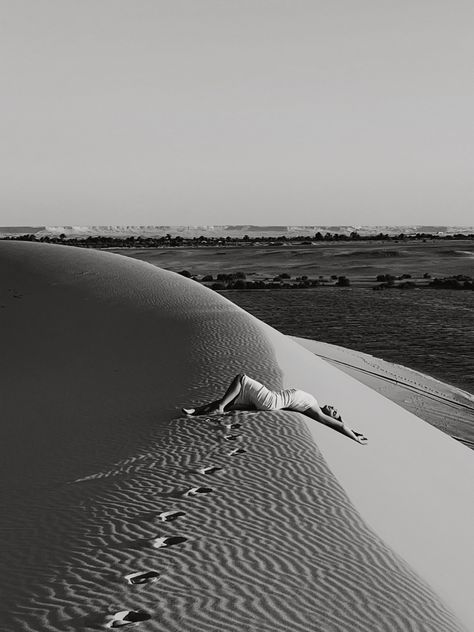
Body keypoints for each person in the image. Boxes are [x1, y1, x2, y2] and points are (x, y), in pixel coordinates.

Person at [183, 373, 368, 444]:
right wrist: (356, 431)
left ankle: (220, 408)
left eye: (334, 412)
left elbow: (340, 426)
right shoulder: (312, 403)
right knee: (232, 398)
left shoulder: (316, 412)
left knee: (241, 379)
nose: (333, 408)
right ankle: (197, 411)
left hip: (271, 401)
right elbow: (342, 424)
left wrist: (354, 436)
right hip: (269, 400)